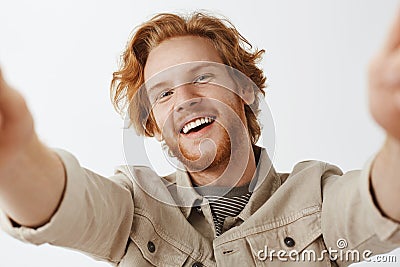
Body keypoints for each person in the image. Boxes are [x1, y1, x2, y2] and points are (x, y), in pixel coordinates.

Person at [0, 10, 399, 267]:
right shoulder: (135, 206)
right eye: (163, 93)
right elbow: (69, 207)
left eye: (202, 77)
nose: (185, 101)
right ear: (153, 122)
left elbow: (374, 204)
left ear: (245, 90)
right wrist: (15, 156)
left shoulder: (317, 197)